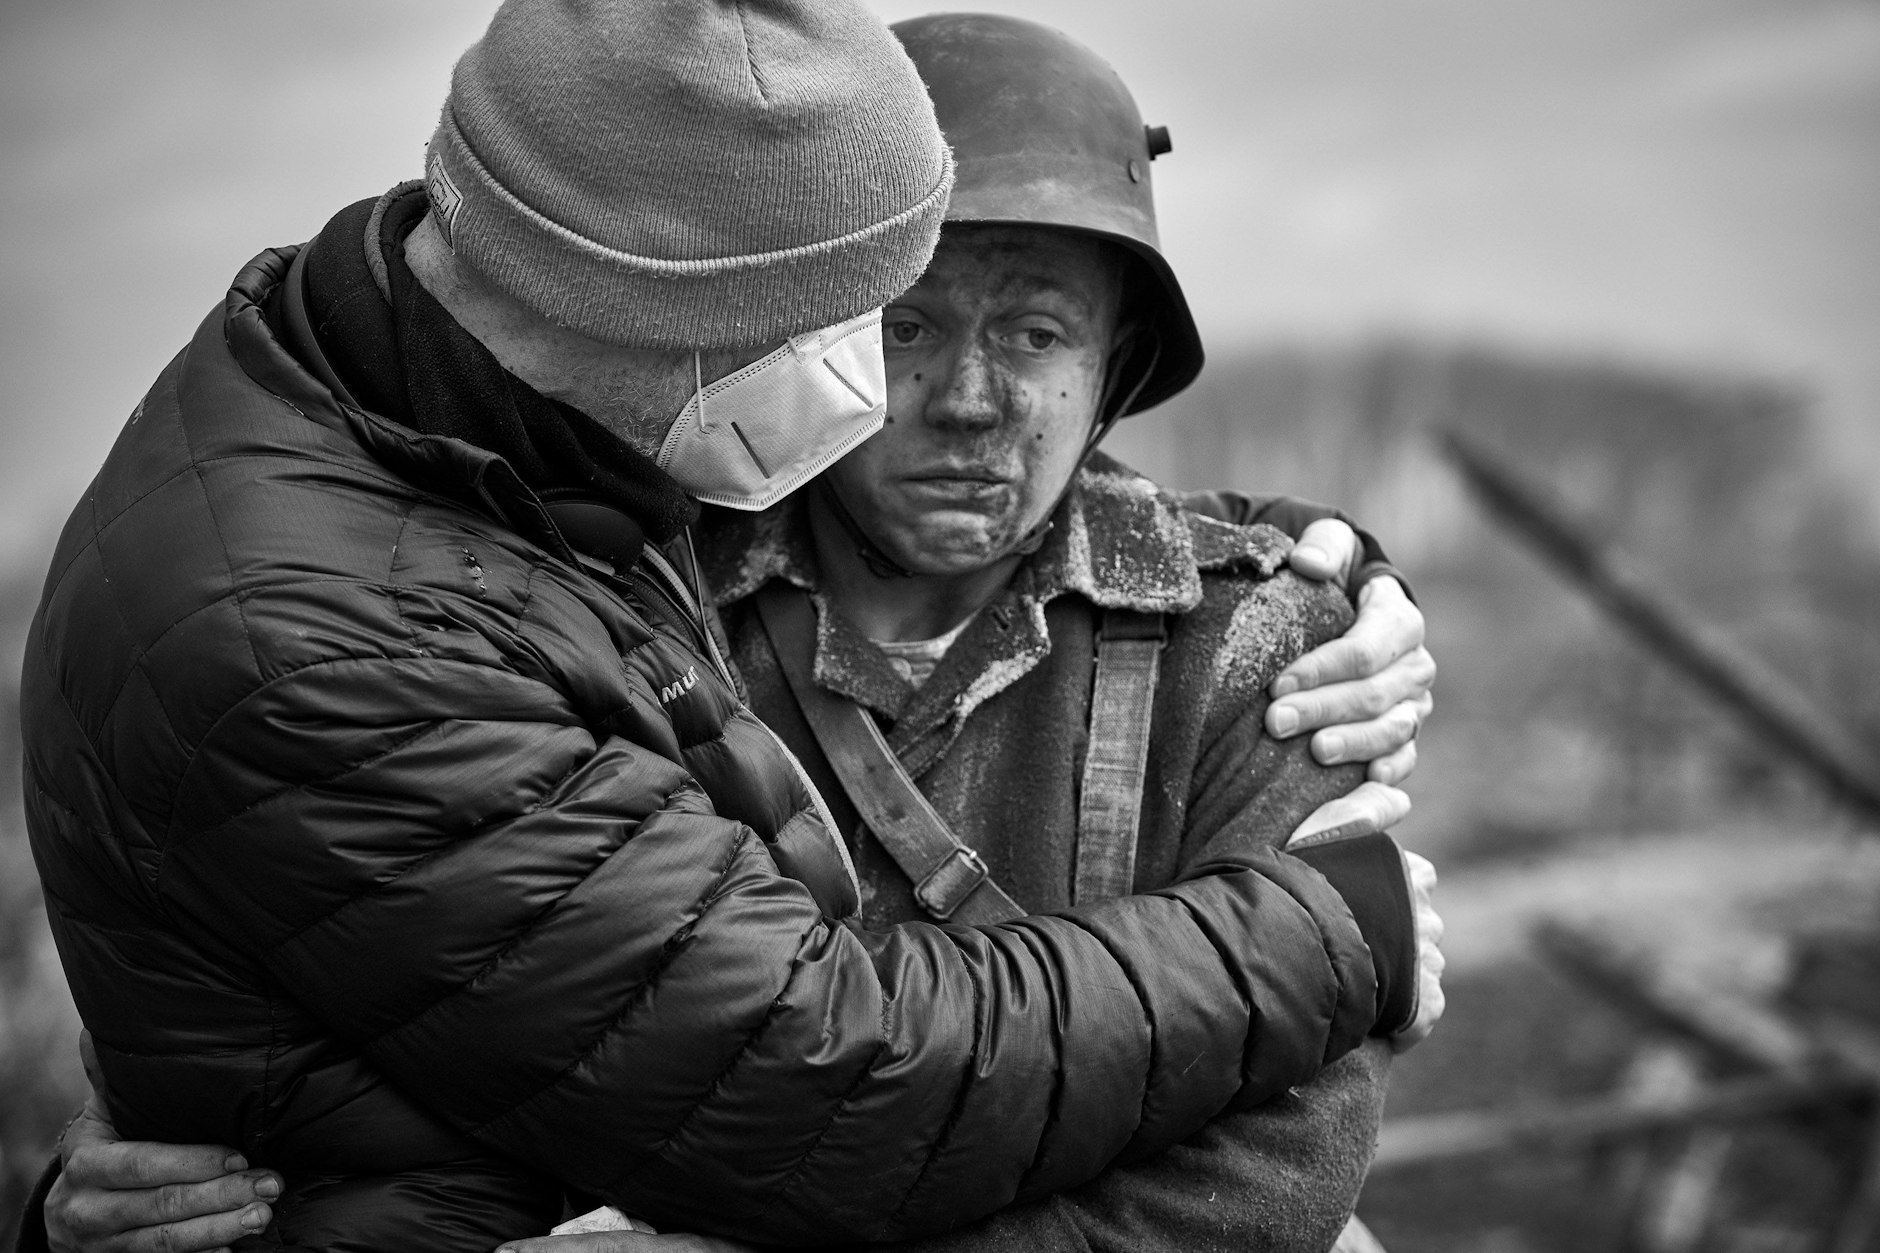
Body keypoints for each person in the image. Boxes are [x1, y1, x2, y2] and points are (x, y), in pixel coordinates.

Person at [21, 5, 1437, 1253]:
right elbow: (826, 1079)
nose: (965, 401)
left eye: (1036, 335)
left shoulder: (1272, 644)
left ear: (1115, 366)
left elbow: (1265, 1191)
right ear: (702, 314)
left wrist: (1331, 564)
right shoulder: (618, 569)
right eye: (897, 328)